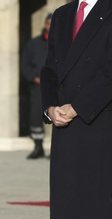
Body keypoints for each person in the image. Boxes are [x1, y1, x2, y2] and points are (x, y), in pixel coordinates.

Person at [40, 0, 112, 219]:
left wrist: (77, 107)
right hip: (65, 125)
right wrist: (50, 108)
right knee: (73, 212)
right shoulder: (62, 14)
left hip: (99, 122)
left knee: (108, 216)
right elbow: (50, 68)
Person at [21, 13, 52, 159]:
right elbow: (25, 64)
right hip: (37, 87)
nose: (50, 27)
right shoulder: (33, 44)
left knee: (56, 116)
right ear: (44, 24)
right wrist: (33, 77)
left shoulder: (61, 43)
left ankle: (55, 149)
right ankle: (38, 147)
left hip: (55, 86)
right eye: (48, 23)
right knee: (35, 116)